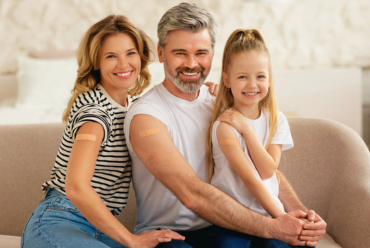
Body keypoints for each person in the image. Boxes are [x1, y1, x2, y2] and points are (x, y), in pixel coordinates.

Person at [124, 3, 326, 248]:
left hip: (229, 225)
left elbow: (263, 169)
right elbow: (193, 196)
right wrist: (273, 226)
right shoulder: (146, 116)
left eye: (201, 53)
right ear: (161, 52)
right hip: (170, 235)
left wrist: (303, 217)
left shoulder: (223, 106)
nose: (191, 63)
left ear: (212, 53)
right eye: (180, 53)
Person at [21, 15, 186, 248]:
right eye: (111, 56)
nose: (123, 64)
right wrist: (130, 240)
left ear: (141, 56)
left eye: (130, 53)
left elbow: (180, 108)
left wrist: (213, 93)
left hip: (98, 228)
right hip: (59, 220)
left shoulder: (135, 107)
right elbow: (76, 187)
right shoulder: (95, 113)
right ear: (96, 62)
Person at [208, 28, 314, 248]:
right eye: (242, 77)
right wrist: (282, 219)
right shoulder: (224, 126)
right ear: (227, 80)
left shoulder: (276, 120)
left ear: (270, 78)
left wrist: (246, 129)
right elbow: (253, 180)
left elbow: (268, 169)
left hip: (269, 213)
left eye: (260, 76)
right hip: (232, 219)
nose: (252, 85)